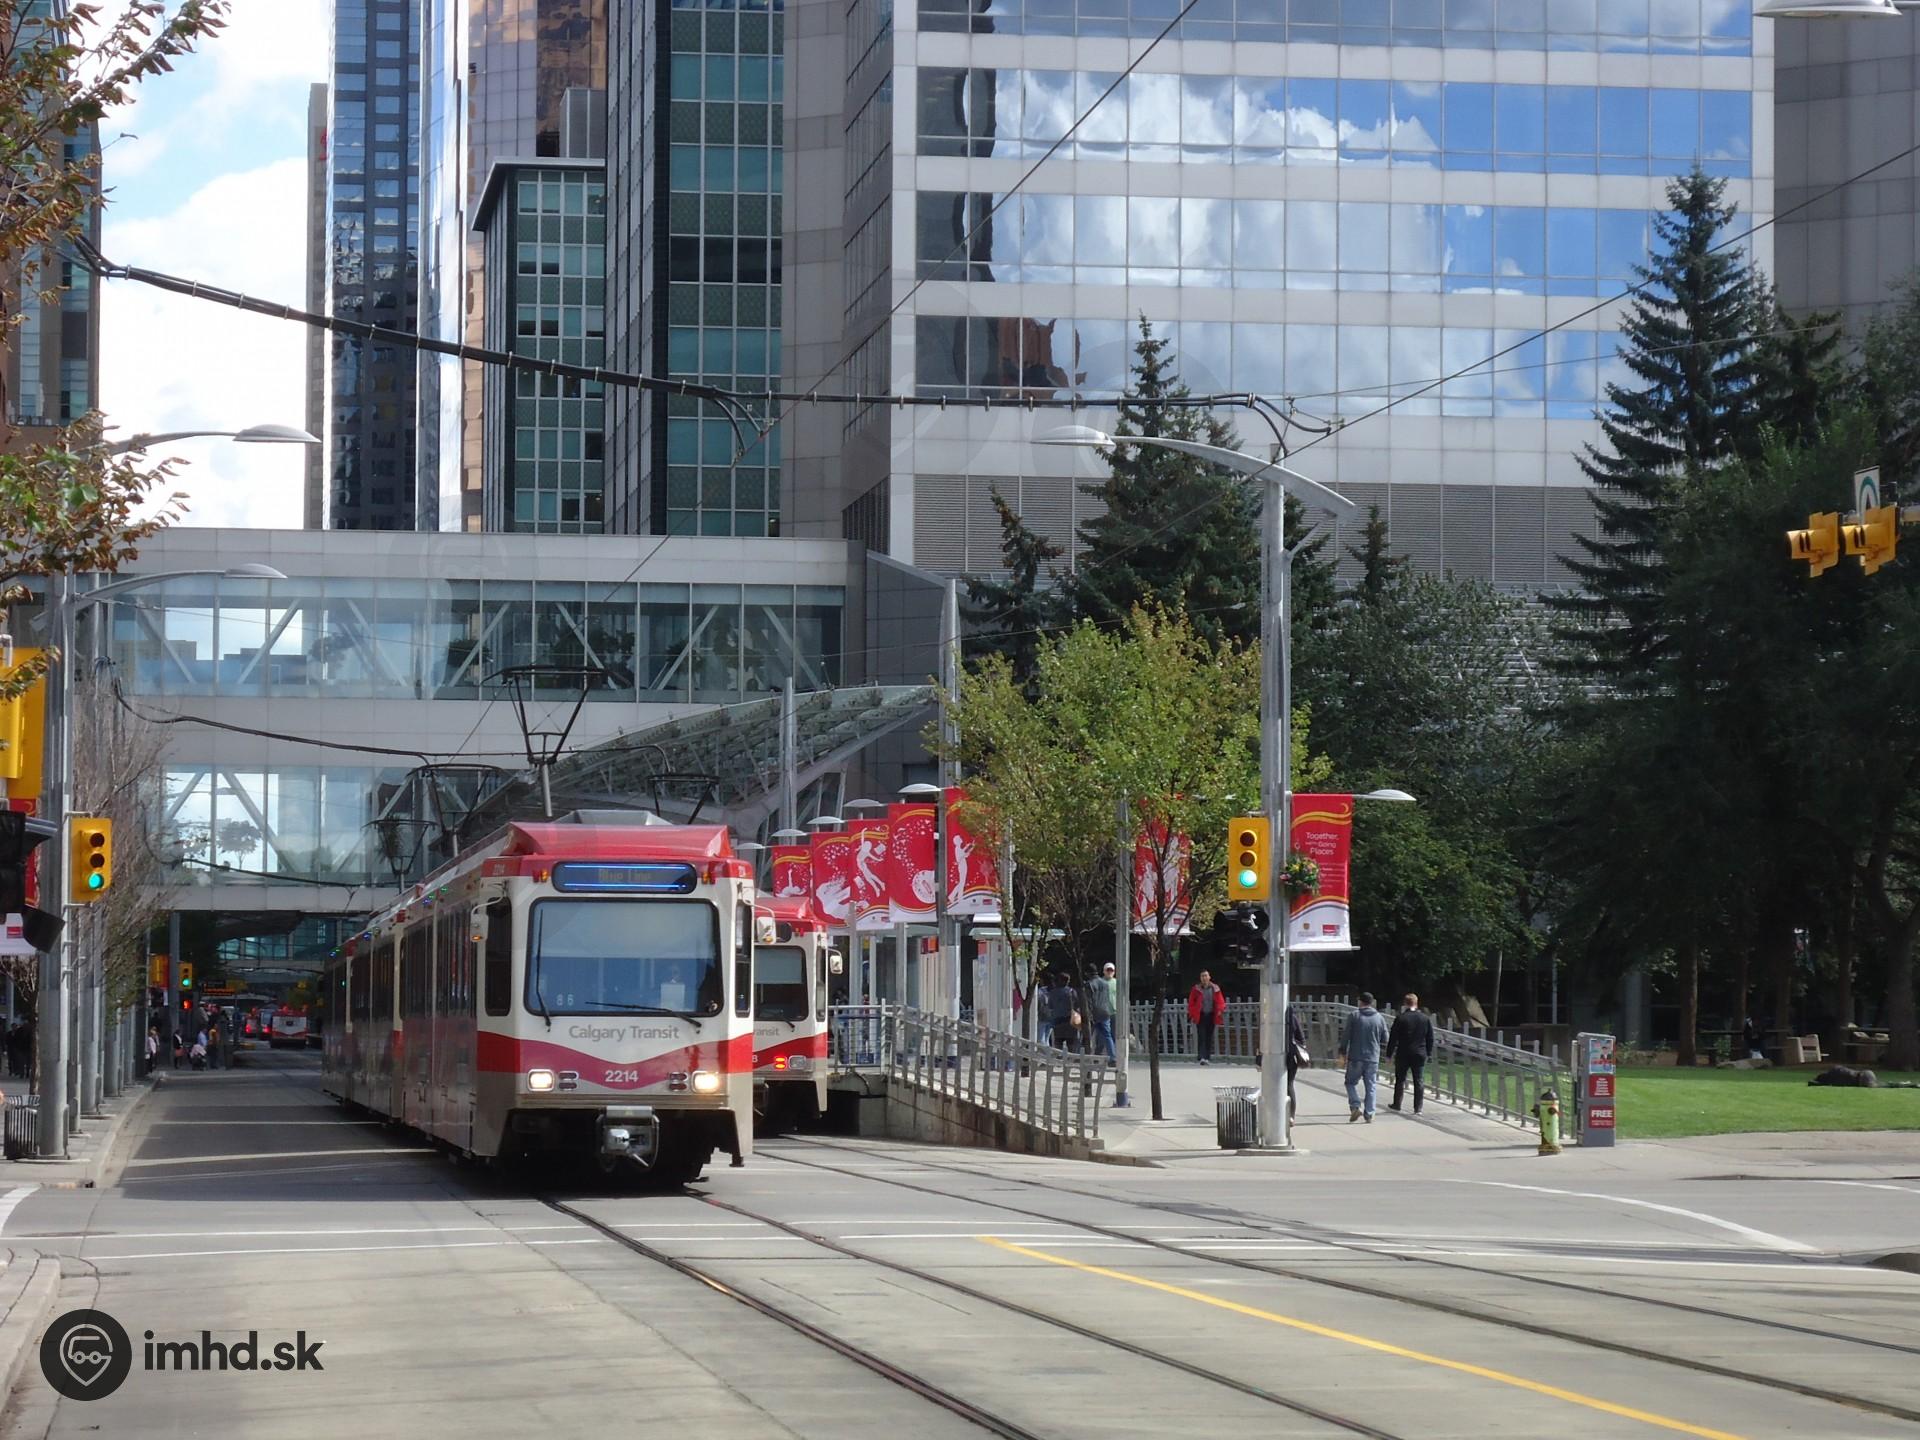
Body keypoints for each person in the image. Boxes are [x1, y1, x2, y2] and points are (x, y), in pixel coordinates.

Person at [1338, 992, 1391, 1123]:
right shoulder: (1379, 1018)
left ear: (1360, 1001)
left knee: (1350, 1083)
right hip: (1372, 1057)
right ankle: (1370, 1113)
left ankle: (1355, 1106)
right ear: (1371, 1002)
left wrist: (1342, 1051)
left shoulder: (1354, 1015)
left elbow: (1346, 1035)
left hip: (1356, 1056)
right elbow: (1385, 1038)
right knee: (1371, 1085)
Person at [1386, 992, 1435, 1115]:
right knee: (1418, 1080)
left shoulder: (1401, 1018)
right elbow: (1430, 1037)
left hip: (1403, 1052)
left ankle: (1397, 1104)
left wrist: (1389, 1054)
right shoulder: (1425, 1019)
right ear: (1416, 1003)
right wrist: (1428, 1052)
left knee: (1400, 1079)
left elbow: (1393, 1038)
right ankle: (1418, 1108)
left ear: (1405, 1003)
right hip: (1419, 1053)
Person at [1187, 970, 1226, 1066]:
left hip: (1211, 1014)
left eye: (1205, 976)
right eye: (1202, 976)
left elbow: (1220, 1001)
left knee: (1209, 1036)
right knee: (1201, 1036)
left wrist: (1220, 1010)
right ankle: (1201, 1057)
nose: (1204, 978)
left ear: (1209, 977)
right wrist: (1192, 1014)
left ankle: (1207, 1057)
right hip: (1201, 1015)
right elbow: (1191, 1002)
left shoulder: (1215, 989)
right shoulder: (1196, 989)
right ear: (1200, 978)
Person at [1086, 963, 1118, 1062]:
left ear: (1087, 973)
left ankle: (1084, 1057)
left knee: (1087, 1036)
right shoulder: (1105, 983)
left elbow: (1089, 1001)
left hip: (1094, 1013)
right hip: (1105, 1012)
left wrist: (1089, 1014)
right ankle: (1112, 1058)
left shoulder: (1089, 984)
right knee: (1107, 1035)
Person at [1039, 972, 1078, 1049]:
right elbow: (1077, 1004)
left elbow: (1050, 1006)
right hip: (1070, 1020)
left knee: (1058, 1044)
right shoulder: (1072, 991)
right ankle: (1070, 1056)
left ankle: (1059, 1056)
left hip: (1057, 1021)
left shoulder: (1053, 993)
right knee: (1071, 1044)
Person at [1285, 1001, 1307, 1123]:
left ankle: (1279, 1113)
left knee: (1275, 1085)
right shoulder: (1293, 1018)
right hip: (1292, 1056)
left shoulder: (1272, 1019)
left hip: (1275, 1057)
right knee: (1289, 1084)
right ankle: (1291, 1115)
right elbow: (1301, 1038)